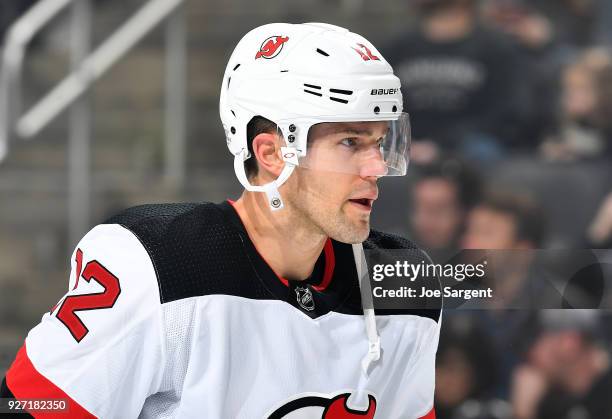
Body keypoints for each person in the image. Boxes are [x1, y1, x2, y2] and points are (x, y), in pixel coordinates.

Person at [0, 23, 441, 418]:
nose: (377, 167)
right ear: (272, 154)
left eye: (380, 142)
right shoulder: (158, 262)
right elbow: (30, 405)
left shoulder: (403, 282)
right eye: (350, 142)